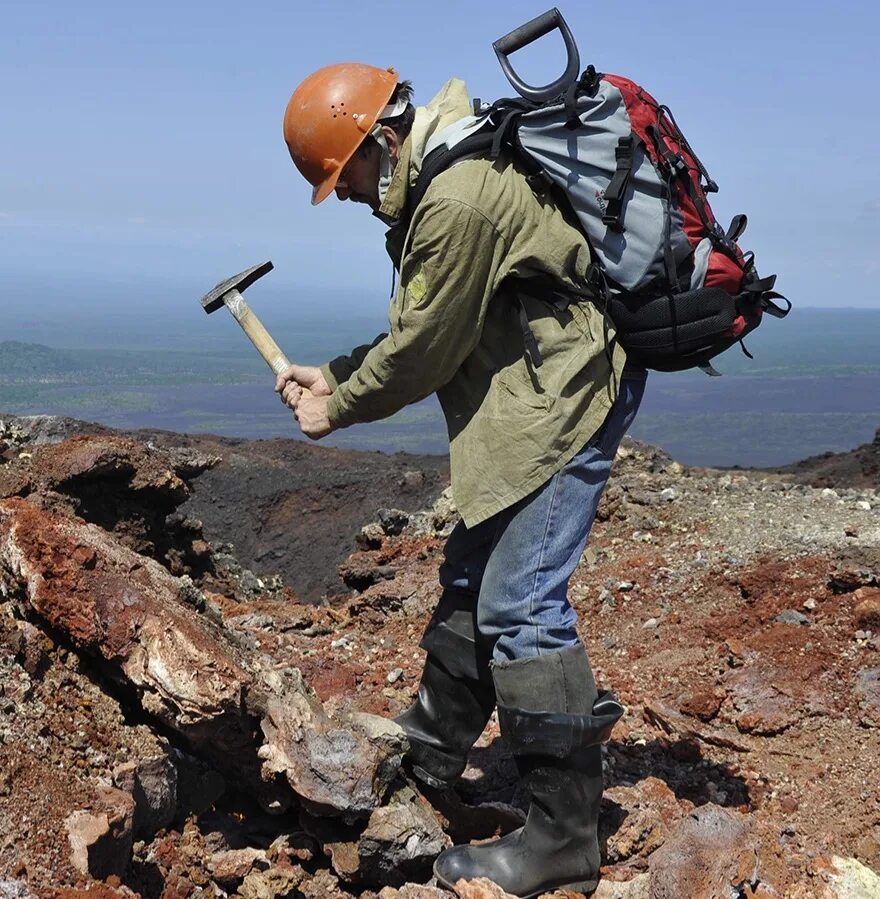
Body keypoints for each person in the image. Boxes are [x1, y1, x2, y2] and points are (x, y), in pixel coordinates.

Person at [274, 63, 646, 897]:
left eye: (345, 177)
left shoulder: (455, 199)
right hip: (528, 392)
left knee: (523, 602)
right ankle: (436, 746)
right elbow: (429, 324)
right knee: (476, 568)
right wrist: (333, 373)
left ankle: (562, 838)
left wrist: (337, 407)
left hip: (566, 396)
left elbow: (424, 351)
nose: (345, 197)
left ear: (381, 140)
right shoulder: (443, 178)